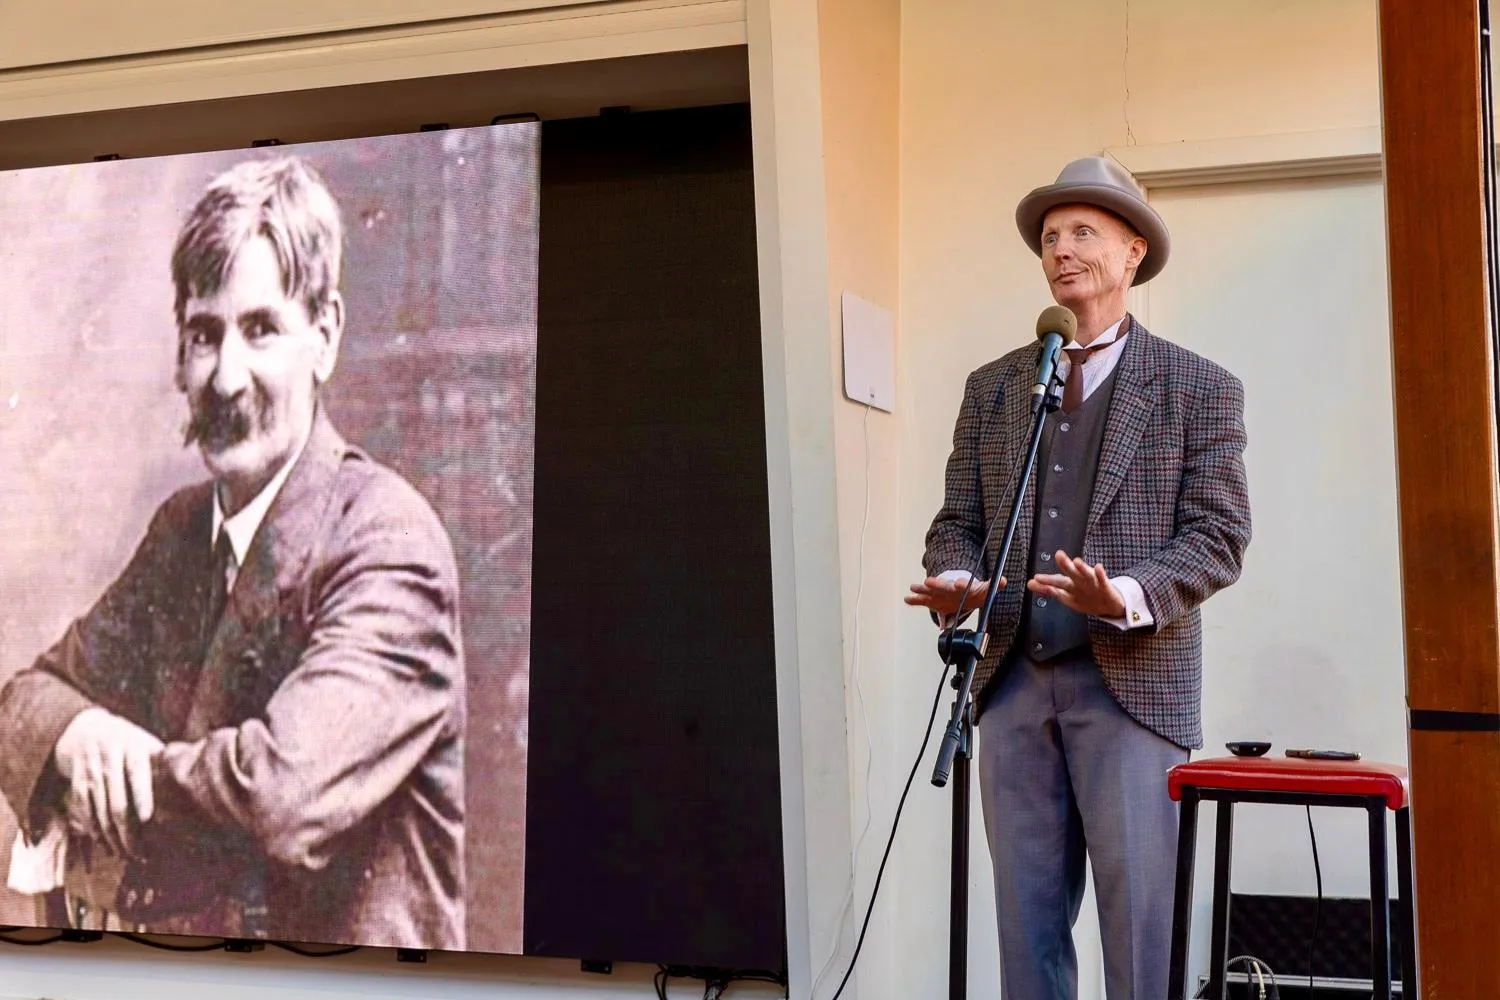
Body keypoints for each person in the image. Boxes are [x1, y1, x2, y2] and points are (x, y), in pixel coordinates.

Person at [0, 156, 467, 949]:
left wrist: (107, 775)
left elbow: (282, 796)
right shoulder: (183, 533)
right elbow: (28, 697)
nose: (225, 377)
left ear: (324, 336)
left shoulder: (390, 545)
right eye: (204, 334)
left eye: (260, 330)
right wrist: (80, 735)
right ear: (180, 356)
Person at [906, 156, 1251, 999]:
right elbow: (958, 519)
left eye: (1083, 232)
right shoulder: (994, 389)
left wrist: (1126, 595)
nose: (1062, 249)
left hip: (1132, 689)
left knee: (1140, 940)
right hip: (1011, 682)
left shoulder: (1197, 387)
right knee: (1025, 932)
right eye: (1051, 236)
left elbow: (1221, 533)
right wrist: (958, 579)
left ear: (1133, 251)